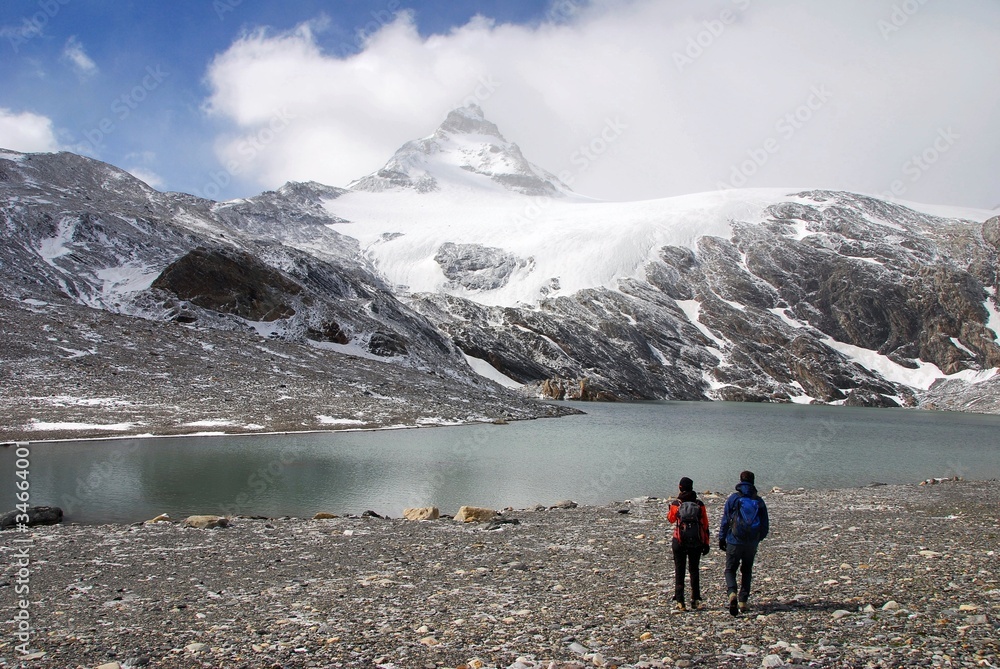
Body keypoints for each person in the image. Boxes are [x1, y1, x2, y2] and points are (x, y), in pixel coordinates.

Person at [719, 470, 769, 616]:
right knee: (747, 570)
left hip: (734, 540)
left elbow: (725, 521)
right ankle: (743, 600)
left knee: (730, 569)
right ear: (753, 482)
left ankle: (732, 593)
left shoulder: (734, 499)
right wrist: (758, 539)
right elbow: (765, 525)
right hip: (751, 542)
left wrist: (722, 538)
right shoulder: (758, 501)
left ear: (740, 481)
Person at [666, 476, 710, 611]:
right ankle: (695, 599)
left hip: (679, 540)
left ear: (680, 487)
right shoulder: (699, 504)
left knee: (680, 570)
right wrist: (706, 543)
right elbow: (705, 524)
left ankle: (680, 601)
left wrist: (670, 509)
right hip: (696, 541)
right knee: (694, 570)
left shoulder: (676, 504)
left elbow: (671, 520)